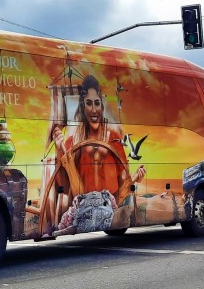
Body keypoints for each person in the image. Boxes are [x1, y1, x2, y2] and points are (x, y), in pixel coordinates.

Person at [52, 75, 146, 204]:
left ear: (102, 106)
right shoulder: (72, 142)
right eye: (88, 103)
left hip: (110, 207)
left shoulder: (114, 139)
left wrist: (135, 179)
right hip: (83, 207)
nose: (94, 109)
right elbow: (64, 184)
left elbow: (123, 180)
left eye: (97, 103)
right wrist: (59, 149)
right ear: (83, 107)